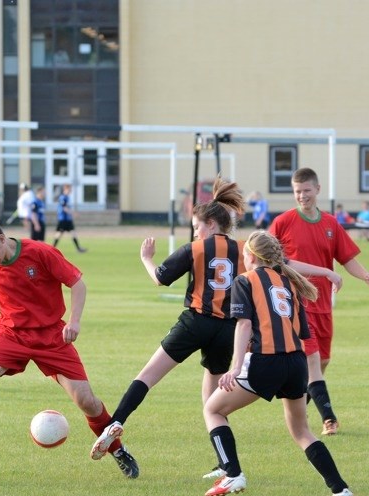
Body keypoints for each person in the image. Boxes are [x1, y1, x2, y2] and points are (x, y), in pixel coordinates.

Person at [89, 177, 342, 468]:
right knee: (213, 403)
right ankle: (223, 464)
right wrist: (326, 272)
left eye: (197, 227)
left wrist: (147, 258)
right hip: (227, 330)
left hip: (195, 323)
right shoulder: (244, 249)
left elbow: (160, 278)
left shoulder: (195, 249)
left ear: (211, 224)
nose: (196, 233)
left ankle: (116, 422)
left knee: (148, 375)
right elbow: (287, 264)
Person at [0, 216, 139, 478]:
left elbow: (77, 283)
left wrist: (74, 321)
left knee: (86, 401)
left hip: (52, 336)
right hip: (10, 334)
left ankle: (118, 450)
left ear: (2, 240)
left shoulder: (40, 253)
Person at [201, 230, 353, 496]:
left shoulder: (244, 280)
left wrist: (236, 367)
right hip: (296, 363)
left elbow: (244, 324)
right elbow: (301, 333)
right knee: (301, 431)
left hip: (265, 361)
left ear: (250, 255)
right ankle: (341, 489)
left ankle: (233, 473)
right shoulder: (289, 283)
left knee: (213, 409)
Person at [269, 168, 369, 436]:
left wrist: (364, 275)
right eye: (297, 192)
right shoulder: (283, 223)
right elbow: (276, 259)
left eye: (306, 190)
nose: (302, 196)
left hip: (323, 306)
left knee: (322, 362)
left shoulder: (330, 224)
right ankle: (329, 418)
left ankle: (297, 410)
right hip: (297, 304)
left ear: (317, 189)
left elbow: (346, 258)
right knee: (313, 361)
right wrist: (323, 272)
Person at [52, 184, 87, 252]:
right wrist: (73, 213)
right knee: (59, 234)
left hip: (68, 219)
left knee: (73, 233)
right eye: (69, 189)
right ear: (65, 189)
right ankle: (52, 248)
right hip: (63, 219)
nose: (71, 190)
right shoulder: (63, 197)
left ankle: (78, 248)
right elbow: (64, 208)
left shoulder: (67, 197)